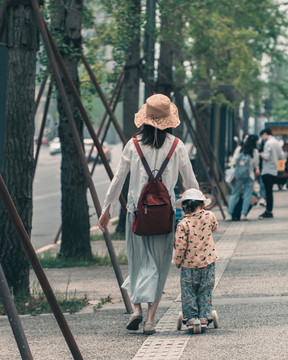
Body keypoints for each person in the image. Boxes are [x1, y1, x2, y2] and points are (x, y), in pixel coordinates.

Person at [98, 94, 199, 335]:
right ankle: (151, 319)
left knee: (138, 263)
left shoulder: (133, 145)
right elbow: (190, 181)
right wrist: (197, 209)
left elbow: (118, 180)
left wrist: (106, 209)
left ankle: (136, 310)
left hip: (136, 214)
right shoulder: (177, 146)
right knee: (159, 266)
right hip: (164, 216)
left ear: (145, 119)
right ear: (169, 121)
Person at [173, 188, 218, 331]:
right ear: (203, 204)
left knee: (189, 291)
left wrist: (177, 261)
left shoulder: (183, 224)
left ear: (184, 207)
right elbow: (215, 228)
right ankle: (204, 316)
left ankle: (191, 318)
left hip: (189, 265)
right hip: (208, 262)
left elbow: (180, 246)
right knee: (205, 290)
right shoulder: (210, 216)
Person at [227, 134, 260, 220]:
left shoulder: (239, 149)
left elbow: (234, 161)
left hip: (238, 175)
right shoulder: (255, 151)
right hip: (249, 175)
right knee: (247, 195)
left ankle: (229, 214)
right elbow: (255, 164)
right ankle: (243, 214)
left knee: (235, 194)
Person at [259, 127, 285, 219]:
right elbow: (282, 156)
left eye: (262, 136)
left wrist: (260, 154)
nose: (262, 138)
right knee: (270, 192)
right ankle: (268, 210)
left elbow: (266, 157)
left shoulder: (268, 143)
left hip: (267, 170)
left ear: (265, 134)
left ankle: (268, 211)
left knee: (268, 192)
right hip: (274, 170)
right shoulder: (277, 143)